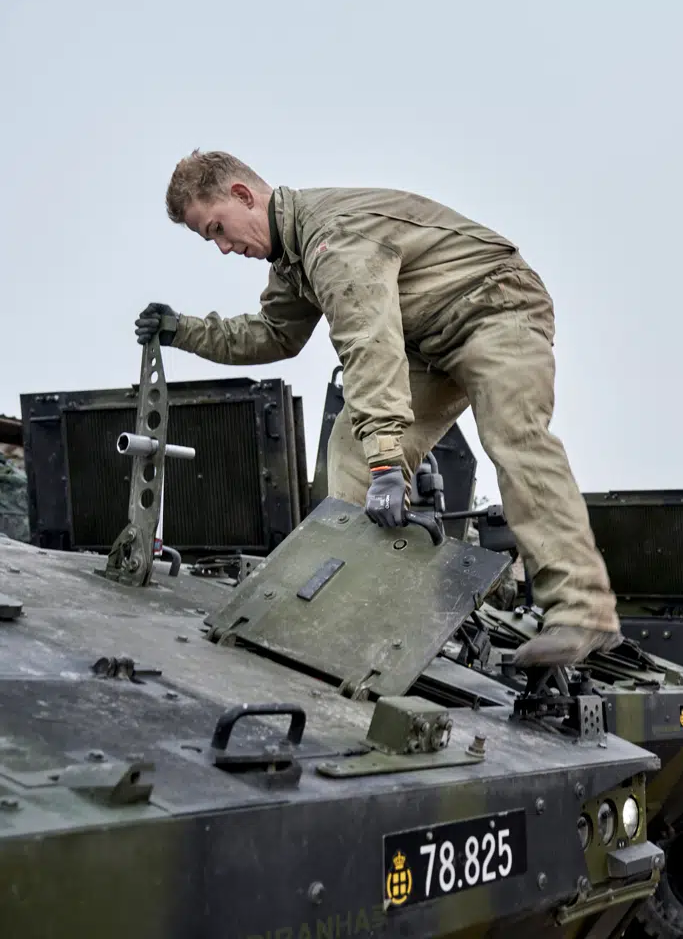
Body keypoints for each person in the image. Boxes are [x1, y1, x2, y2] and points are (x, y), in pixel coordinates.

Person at [137, 150, 620, 667]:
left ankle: (582, 612)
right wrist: (182, 330)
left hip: (496, 306)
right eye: (209, 239)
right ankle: (361, 610)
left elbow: (370, 344)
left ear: (242, 195)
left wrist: (389, 463)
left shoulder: (332, 237)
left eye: (217, 229)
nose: (223, 248)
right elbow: (274, 334)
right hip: (430, 341)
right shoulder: (293, 258)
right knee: (351, 445)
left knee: (514, 435)